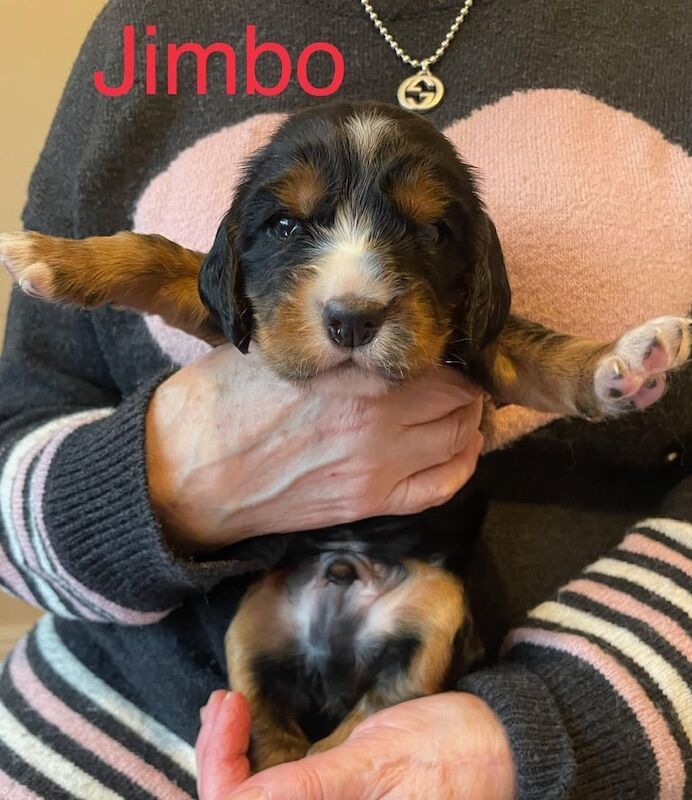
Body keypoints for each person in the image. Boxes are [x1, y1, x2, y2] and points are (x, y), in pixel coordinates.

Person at [0, 1, 689, 799]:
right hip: (116, 709)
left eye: (428, 235)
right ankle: (274, 745)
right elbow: (169, 297)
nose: (353, 290)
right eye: (292, 224)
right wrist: (168, 478)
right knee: (254, 662)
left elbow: (515, 353)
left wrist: (534, 733)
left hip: (513, 709)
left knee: (431, 614)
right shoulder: (150, 25)